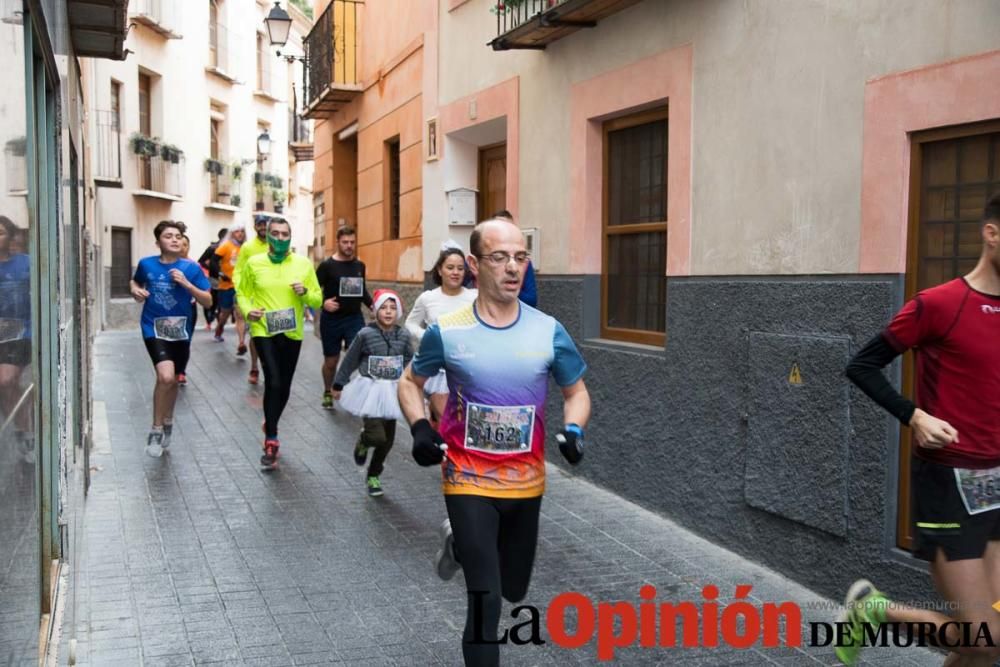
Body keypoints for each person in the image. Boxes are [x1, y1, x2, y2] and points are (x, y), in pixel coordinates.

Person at [398, 218, 591, 666]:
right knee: (485, 601)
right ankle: (467, 543)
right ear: (473, 264)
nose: (512, 268)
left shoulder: (547, 330)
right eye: (499, 257)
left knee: (514, 588)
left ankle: (460, 547)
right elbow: (411, 383)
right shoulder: (449, 331)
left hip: (526, 482)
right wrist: (420, 428)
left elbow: (576, 392)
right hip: (466, 478)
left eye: (520, 257)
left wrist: (575, 430)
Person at [840, 193, 1000, 666]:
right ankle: (874, 610)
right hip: (948, 483)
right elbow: (863, 365)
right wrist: (915, 416)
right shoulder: (940, 304)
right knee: (983, 638)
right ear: (992, 233)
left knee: (987, 642)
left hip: (998, 483)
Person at [237, 218, 322, 469]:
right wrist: (248, 309)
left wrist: (305, 294)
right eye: (275, 233)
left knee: (284, 386)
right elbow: (242, 292)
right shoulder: (255, 263)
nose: (281, 238)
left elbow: (318, 300)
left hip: (292, 332)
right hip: (264, 328)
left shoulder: (303, 264)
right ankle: (271, 436)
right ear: (268, 236)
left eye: (285, 234)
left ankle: (270, 420)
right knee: (272, 380)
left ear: (290, 237)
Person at [129, 220, 212, 457]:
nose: (175, 239)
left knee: (173, 380)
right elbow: (136, 280)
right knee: (164, 376)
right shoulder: (147, 264)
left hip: (180, 331)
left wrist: (186, 284)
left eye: (178, 236)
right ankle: (156, 429)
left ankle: (168, 420)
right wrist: (135, 289)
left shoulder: (191, 268)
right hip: (152, 327)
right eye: (168, 236)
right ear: (158, 242)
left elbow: (208, 301)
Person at [332, 289, 412, 497]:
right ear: (375, 311)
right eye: (383, 308)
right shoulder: (365, 334)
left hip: (393, 391)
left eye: (393, 308)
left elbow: (411, 362)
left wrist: (420, 386)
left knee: (388, 441)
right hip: (370, 389)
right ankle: (364, 441)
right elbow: (350, 360)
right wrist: (339, 383)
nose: (388, 312)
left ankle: (374, 474)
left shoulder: (403, 335)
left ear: (399, 312)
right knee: (376, 435)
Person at [404, 245, 477, 423]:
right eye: (450, 268)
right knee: (448, 418)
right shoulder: (428, 298)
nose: (455, 272)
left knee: (461, 421)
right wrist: (427, 336)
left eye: (460, 268)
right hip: (437, 370)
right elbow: (410, 323)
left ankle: (436, 436)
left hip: (467, 367)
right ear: (439, 270)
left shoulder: (475, 297)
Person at [316, 226, 372, 409]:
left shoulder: (359, 266)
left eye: (352, 242)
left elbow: (361, 290)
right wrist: (323, 302)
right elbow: (314, 291)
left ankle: (342, 384)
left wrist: (374, 306)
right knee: (331, 361)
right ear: (338, 242)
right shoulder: (327, 266)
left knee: (359, 354)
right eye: (345, 242)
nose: (349, 246)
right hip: (331, 320)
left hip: (354, 318)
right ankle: (327, 390)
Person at [0, 216, 33, 462]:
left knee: (7, 380)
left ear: (10, 237)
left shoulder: (26, 264)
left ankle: (25, 431)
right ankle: (23, 427)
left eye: (1, 232)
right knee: (6, 386)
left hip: (21, 333)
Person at [232, 215, 271, 384]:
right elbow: (239, 271)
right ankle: (254, 368)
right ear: (255, 227)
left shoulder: (277, 243)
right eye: (260, 224)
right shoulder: (247, 247)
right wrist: (241, 293)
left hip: (275, 297)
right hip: (254, 298)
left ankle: (271, 367)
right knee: (255, 334)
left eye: (266, 224)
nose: (263, 227)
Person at [210, 223, 249, 356]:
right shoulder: (226, 246)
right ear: (232, 233)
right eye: (237, 231)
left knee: (240, 315)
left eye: (242, 232)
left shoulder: (246, 248)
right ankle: (219, 327)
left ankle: (241, 343)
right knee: (225, 314)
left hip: (241, 287)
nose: (240, 234)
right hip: (226, 285)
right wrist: (221, 274)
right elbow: (213, 261)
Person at [197, 227, 226, 329]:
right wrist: (213, 268)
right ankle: (209, 320)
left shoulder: (232, 248)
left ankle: (219, 322)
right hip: (214, 279)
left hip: (228, 280)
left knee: (222, 302)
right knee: (211, 301)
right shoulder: (212, 248)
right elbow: (200, 261)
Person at [178, 232, 195, 386]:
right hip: (171, 309)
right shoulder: (168, 265)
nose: (182, 248)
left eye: (185, 244)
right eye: (180, 244)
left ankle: (181, 370)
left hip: (190, 307)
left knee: (186, 340)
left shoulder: (193, 266)